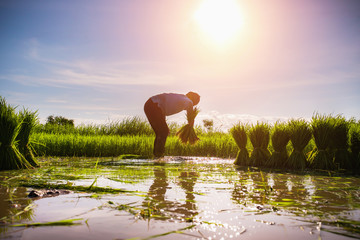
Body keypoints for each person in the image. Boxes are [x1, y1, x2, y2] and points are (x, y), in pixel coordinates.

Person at [144, 92, 200, 158]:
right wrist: (190, 126)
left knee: (161, 132)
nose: (192, 106)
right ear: (193, 100)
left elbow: (163, 109)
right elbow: (190, 117)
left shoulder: (181, 98)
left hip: (150, 105)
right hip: (154, 105)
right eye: (194, 104)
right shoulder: (189, 101)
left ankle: (157, 156)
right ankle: (159, 156)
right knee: (163, 132)